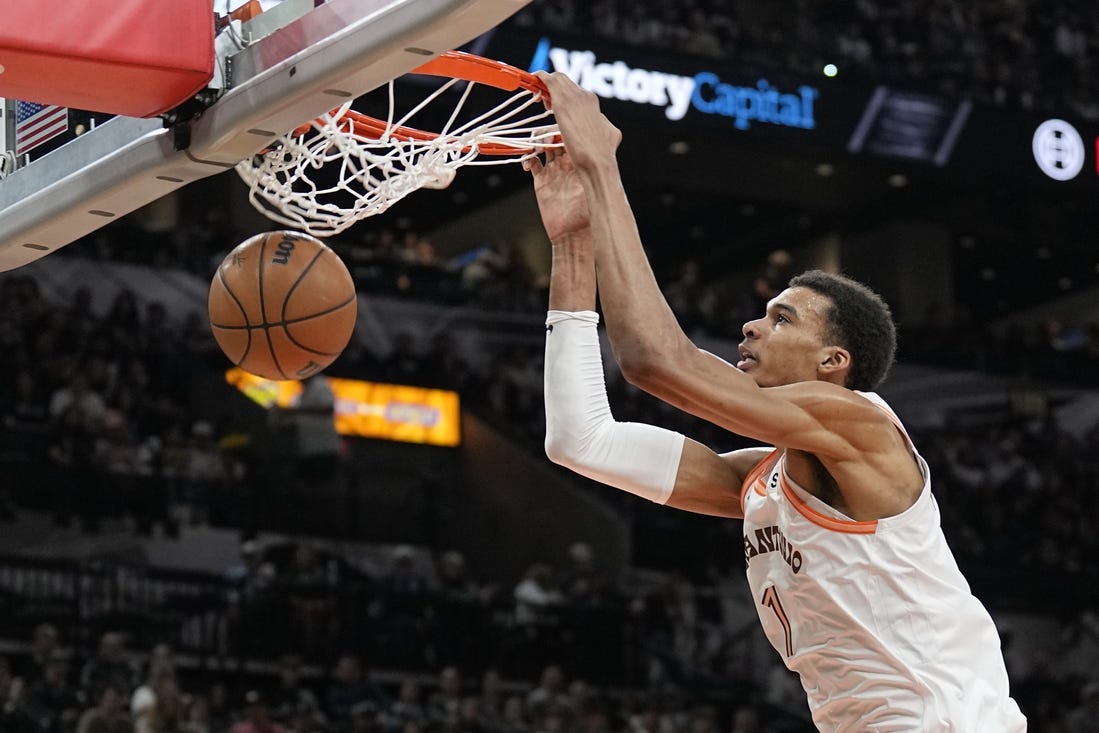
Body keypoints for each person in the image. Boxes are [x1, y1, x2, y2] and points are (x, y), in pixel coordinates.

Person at [529, 71, 1026, 732]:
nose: (752, 326)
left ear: (832, 364)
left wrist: (600, 166)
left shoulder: (861, 422)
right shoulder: (759, 480)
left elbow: (656, 361)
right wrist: (570, 245)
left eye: (782, 318)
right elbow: (579, 438)